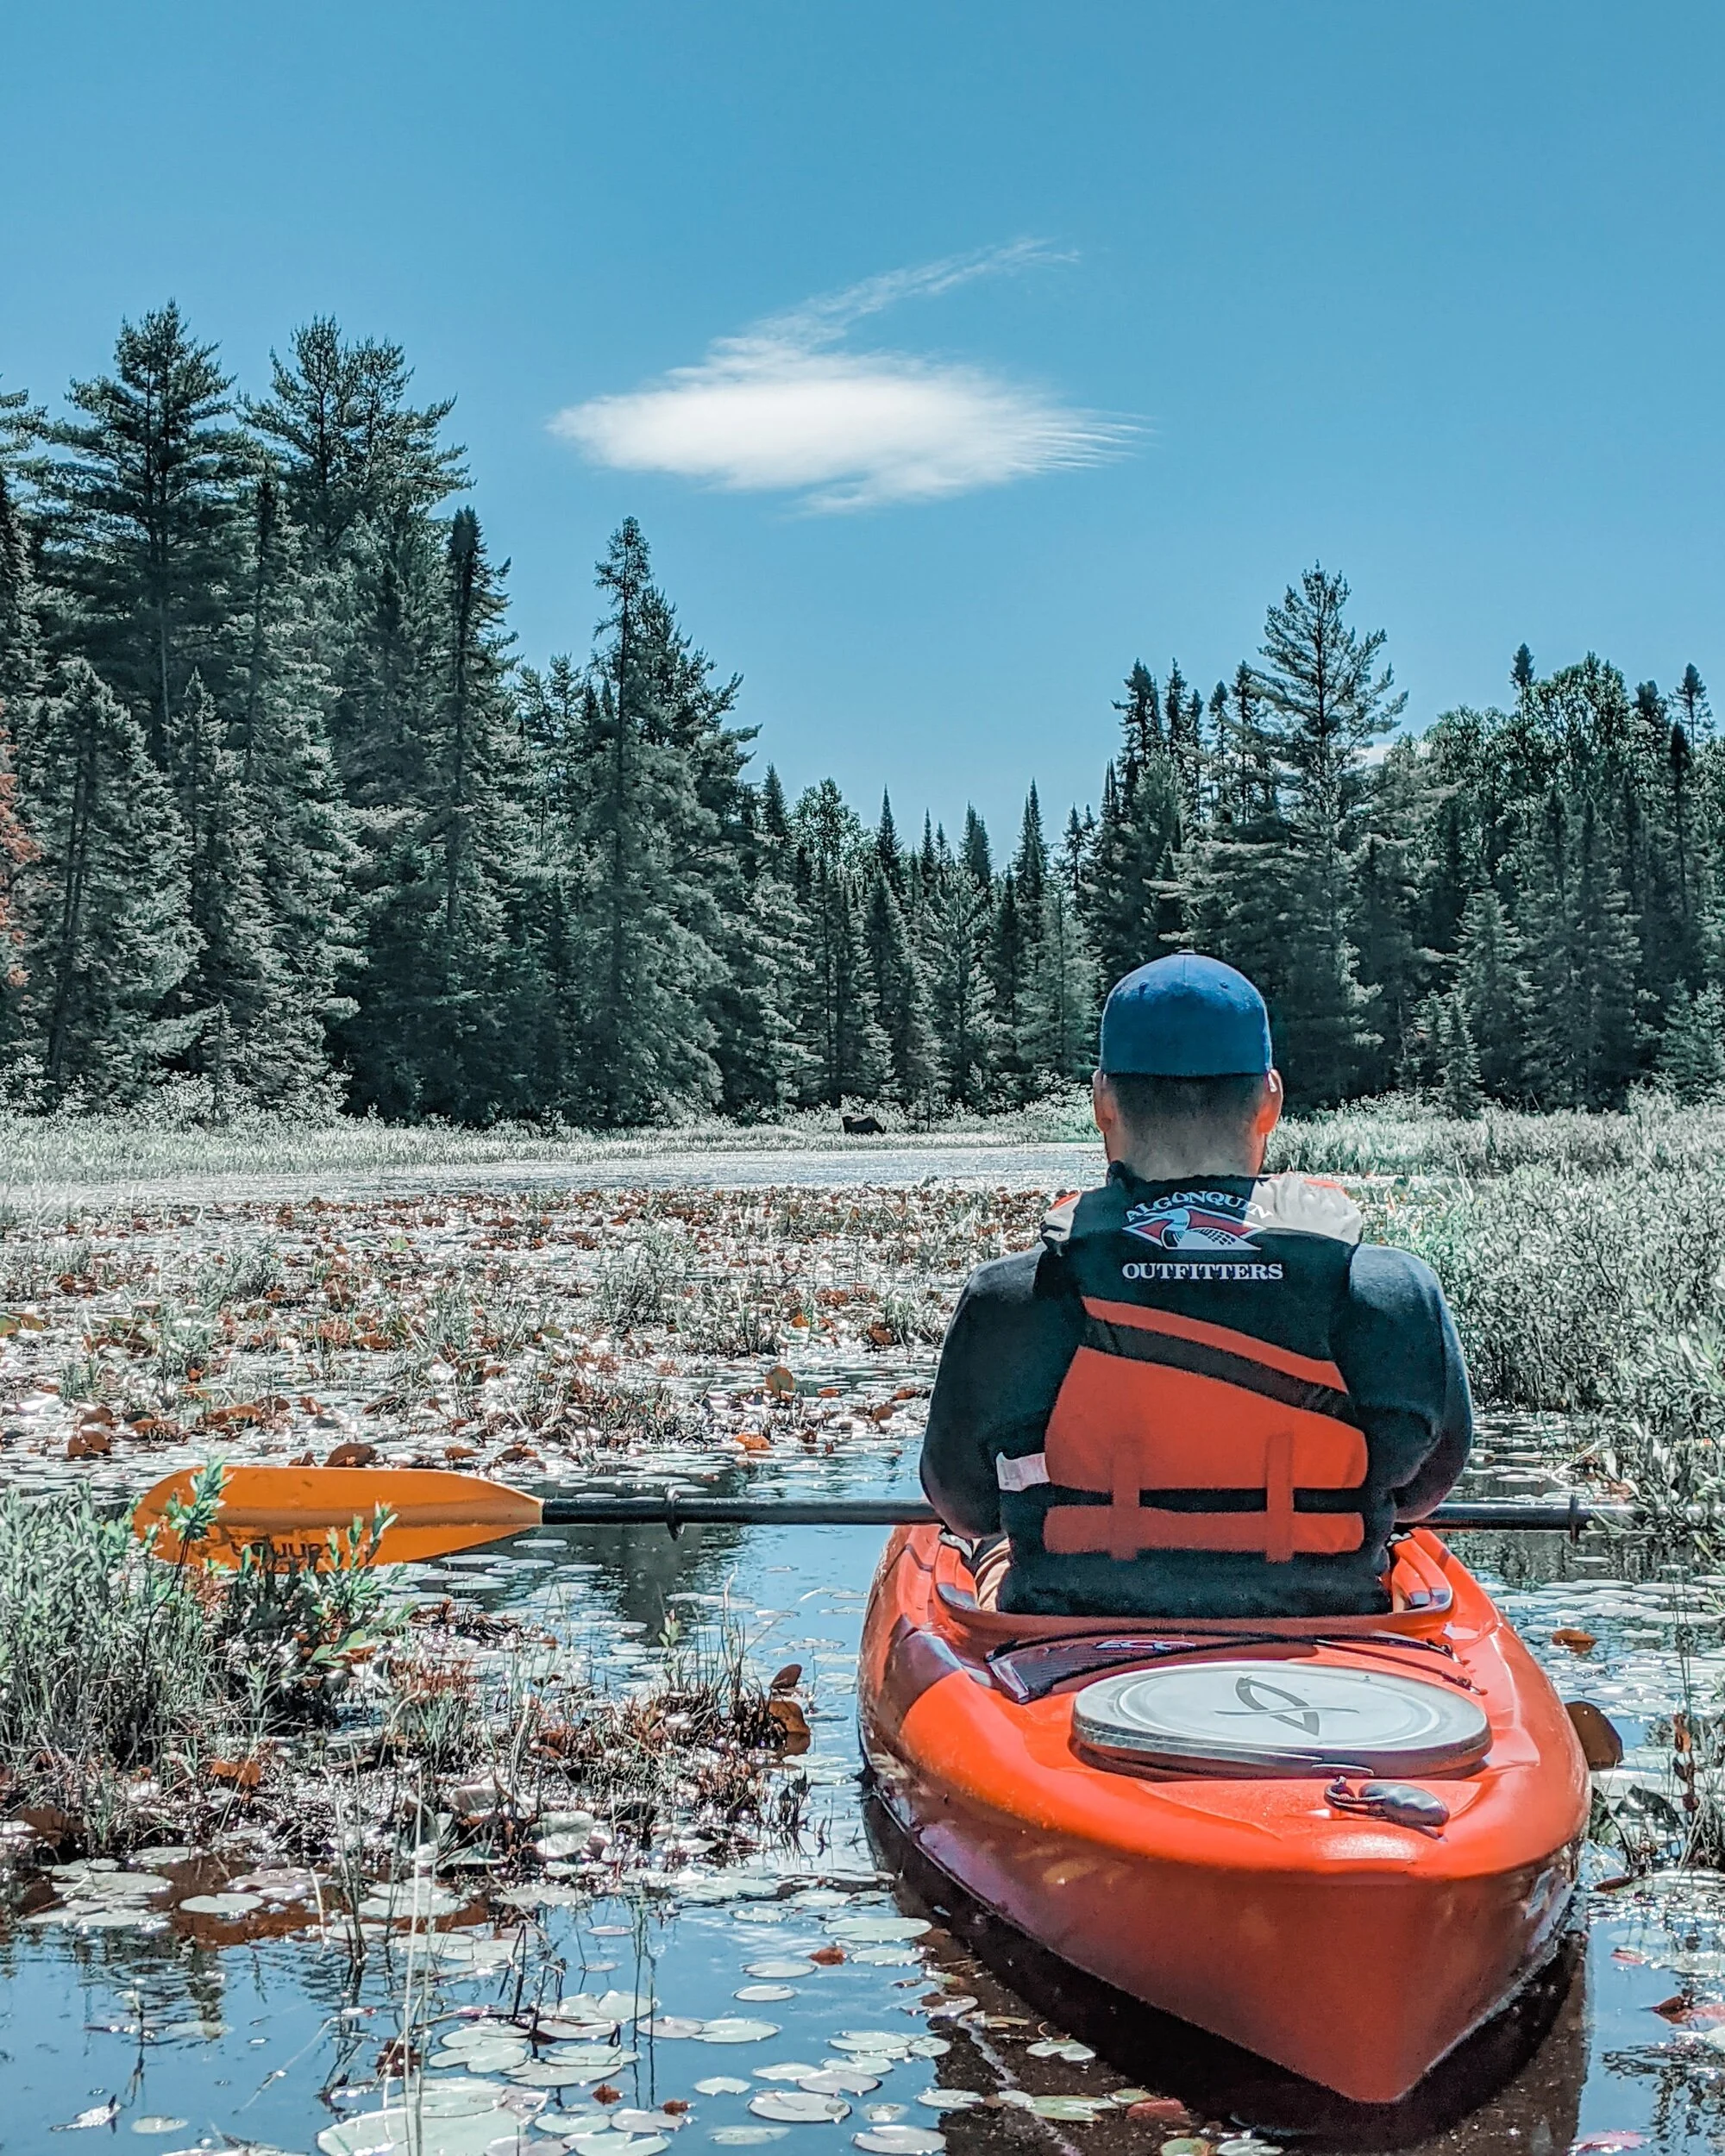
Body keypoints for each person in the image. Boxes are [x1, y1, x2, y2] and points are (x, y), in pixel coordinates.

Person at [919, 953, 1472, 1619]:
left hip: (1060, 1632)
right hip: (1335, 1632)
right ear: (1269, 1102)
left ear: (1102, 1103)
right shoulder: (1393, 1292)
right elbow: (1420, 1496)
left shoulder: (1010, 1296)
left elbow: (965, 1508)